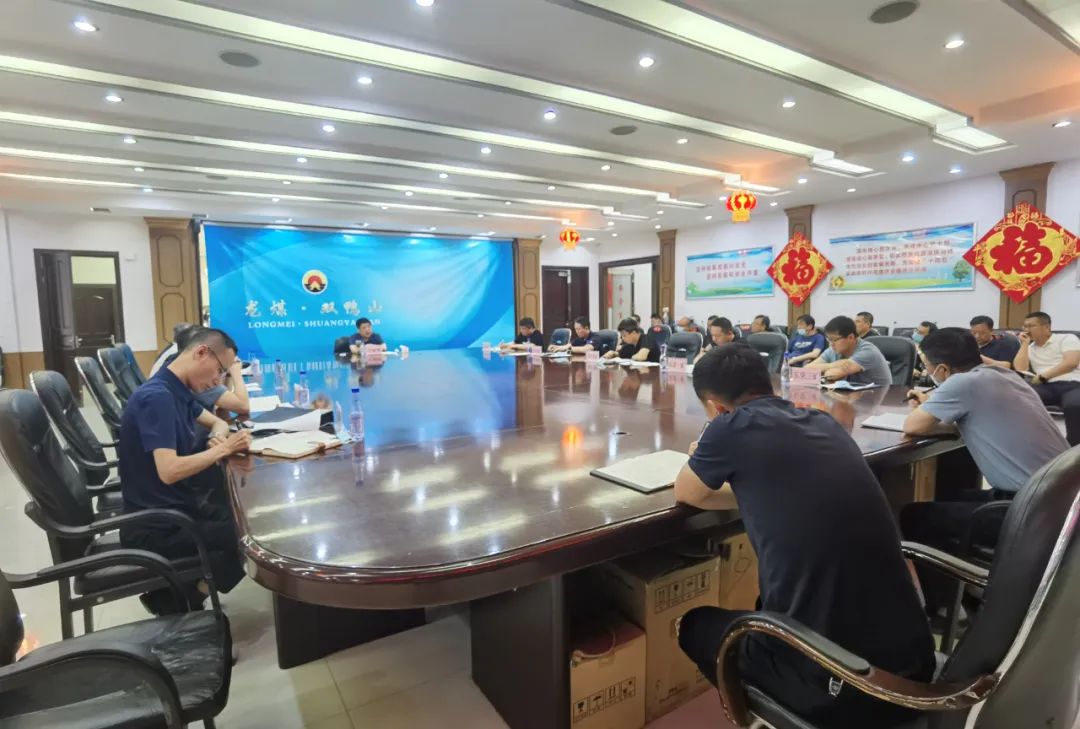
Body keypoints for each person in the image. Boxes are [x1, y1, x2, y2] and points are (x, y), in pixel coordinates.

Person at [674, 344, 934, 727]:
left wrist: (709, 450)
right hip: (915, 668)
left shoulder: (729, 427)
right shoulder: (822, 420)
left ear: (716, 407)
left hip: (844, 688)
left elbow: (688, 492)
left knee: (694, 626)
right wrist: (755, 486)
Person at [901, 328, 1068, 616]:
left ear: (942, 369)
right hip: (1060, 499)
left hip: (1029, 512)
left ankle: (945, 610)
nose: (928, 373)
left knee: (915, 516)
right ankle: (968, 587)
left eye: (927, 367)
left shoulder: (962, 384)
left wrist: (929, 405)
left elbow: (913, 426)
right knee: (953, 498)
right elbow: (970, 416)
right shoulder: (1005, 376)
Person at [118, 327, 253, 614]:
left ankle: (178, 594)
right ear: (202, 352)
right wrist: (223, 449)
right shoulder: (158, 397)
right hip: (157, 527)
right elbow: (169, 470)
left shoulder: (177, 390)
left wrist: (217, 436)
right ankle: (185, 598)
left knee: (244, 516)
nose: (218, 380)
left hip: (178, 508)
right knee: (251, 539)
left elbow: (217, 422)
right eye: (220, 370)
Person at [1013, 311, 1080, 446]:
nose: (1026, 330)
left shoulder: (1067, 338)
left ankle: (1074, 447)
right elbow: (1020, 368)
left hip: (1073, 384)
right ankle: (1032, 442)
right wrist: (1024, 345)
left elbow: (1071, 363)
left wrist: (1043, 376)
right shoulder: (1030, 347)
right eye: (1025, 326)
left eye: (1031, 326)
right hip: (1046, 386)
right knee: (1017, 398)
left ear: (1046, 327)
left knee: (1074, 405)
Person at [804, 316, 892, 387]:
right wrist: (833, 365)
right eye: (828, 339)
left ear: (850, 337)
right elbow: (807, 369)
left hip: (879, 398)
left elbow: (832, 374)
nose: (831, 344)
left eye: (834, 340)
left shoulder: (868, 351)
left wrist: (823, 369)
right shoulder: (833, 349)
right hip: (853, 397)